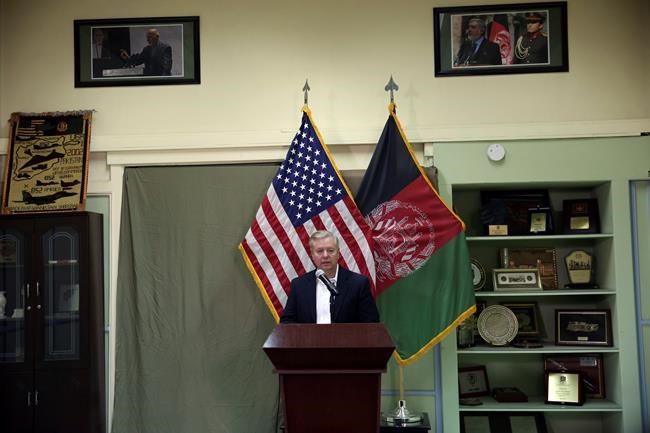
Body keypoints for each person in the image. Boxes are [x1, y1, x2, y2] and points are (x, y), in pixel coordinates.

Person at [280, 230, 379, 324]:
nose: (325, 255)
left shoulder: (358, 284)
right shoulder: (299, 285)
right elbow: (287, 322)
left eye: (330, 250)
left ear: (338, 253)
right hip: (309, 337)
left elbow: (371, 324)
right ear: (312, 255)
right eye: (320, 251)